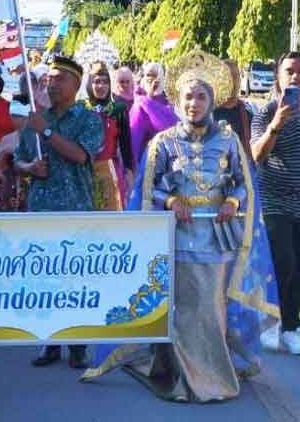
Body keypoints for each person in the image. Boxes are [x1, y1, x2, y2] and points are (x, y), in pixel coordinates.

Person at [83, 49, 279, 401]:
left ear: (212, 100)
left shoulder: (229, 139)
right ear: (178, 99)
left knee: (213, 309)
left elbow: (241, 182)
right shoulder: (163, 142)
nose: (194, 103)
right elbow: (148, 187)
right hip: (179, 238)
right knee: (187, 309)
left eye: (201, 96)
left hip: (217, 237)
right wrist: (173, 201)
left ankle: (212, 372)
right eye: (188, 95)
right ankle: (191, 380)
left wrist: (232, 202)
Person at [15, 54, 104, 368]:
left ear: (76, 85)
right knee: (44, 278)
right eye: (49, 79)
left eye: (60, 79)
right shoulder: (36, 117)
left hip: (75, 208)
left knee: (74, 278)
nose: (52, 84)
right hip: (41, 208)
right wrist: (30, 167)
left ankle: (78, 344)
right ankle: (48, 342)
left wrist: (48, 133)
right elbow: (18, 160)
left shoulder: (88, 119)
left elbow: (81, 156)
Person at [252, 51, 300, 354]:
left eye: (299, 72)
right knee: (283, 262)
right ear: (278, 77)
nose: (295, 76)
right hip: (274, 201)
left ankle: (290, 324)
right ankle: (278, 323)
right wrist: (277, 124)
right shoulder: (267, 111)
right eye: (289, 71)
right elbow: (257, 154)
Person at [85, 61, 135, 210]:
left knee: (111, 213)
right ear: (89, 83)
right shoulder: (81, 108)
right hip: (84, 170)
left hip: (109, 169)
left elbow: (125, 144)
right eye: (96, 82)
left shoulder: (118, 108)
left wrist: (129, 173)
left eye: (105, 82)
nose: (101, 86)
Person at [130, 61, 178, 165]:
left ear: (161, 76)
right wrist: (149, 98)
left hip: (167, 155)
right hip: (146, 156)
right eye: (148, 75)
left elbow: (172, 127)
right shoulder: (139, 99)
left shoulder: (168, 100)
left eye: (155, 75)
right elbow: (134, 134)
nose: (151, 79)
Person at [215, 59, 254, 166]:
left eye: (236, 77)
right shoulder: (207, 113)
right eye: (227, 77)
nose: (233, 81)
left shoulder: (249, 113)